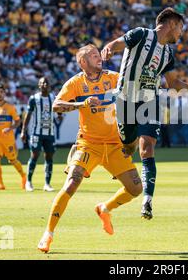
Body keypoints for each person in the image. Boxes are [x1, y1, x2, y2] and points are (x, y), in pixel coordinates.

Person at [101, 7, 188, 219]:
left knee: (147, 147)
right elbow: (117, 43)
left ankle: (147, 201)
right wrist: (109, 48)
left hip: (149, 101)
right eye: (180, 27)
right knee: (128, 145)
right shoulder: (141, 34)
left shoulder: (168, 54)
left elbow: (172, 83)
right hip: (125, 99)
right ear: (171, 24)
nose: (181, 33)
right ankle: (126, 150)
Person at [37, 44, 142, 253]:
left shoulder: (113, 77)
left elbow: (134, 96)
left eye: (98, 54)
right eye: (93, 56)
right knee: (71, 184)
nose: (99, 58)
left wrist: (133, 138)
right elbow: (57, 105)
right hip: (89, 144)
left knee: (136, 189)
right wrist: (82, 104)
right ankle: (48, 234)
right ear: (83, 62)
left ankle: (105, 208)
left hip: (114, 145)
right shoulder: (76, 82)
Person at [21, 77, 61, 192]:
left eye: (46, 83)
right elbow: (28, 115)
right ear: (39, 85)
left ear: (49, 86)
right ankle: (28, 182)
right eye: (42, 83)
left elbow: (59, 109)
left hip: (50, 133)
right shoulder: (34, 98)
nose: (44, 84)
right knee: (34, 156)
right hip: (36, 133)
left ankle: (47, 184)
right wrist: (24, 130)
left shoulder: (53, 97)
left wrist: (59, 113)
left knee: (49, 157)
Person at [0, 84, 26, 191]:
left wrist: (10, 128)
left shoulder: (10, 107)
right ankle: (0, 184)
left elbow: (18, 121)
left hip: (8, 139)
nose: (0, 94)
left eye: (1, 92)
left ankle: (24, 177)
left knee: (12, 160)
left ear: (4, 94)